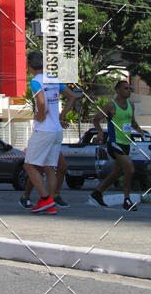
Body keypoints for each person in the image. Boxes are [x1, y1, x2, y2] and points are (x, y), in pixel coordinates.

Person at [24, 51, 76, 214]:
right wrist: (60, 116)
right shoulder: (53, 79)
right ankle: (50, 204)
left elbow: (40, 101)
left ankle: (45, 199)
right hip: (56, 130)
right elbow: (72, 96)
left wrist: (41, 114)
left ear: (29, 66)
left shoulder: (35, 82)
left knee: (29, 165)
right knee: (49, 167)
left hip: (44, 130)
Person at [89, 80, 143, 211]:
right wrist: (100, 133)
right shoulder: (111, 105)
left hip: (126, 143)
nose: (128, 90)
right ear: (117, 90)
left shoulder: (131, 105)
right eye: (125, 88)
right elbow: (96, 119)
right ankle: (127, 200)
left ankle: (97, 193)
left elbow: (131, 121)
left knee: (117, 172)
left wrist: (139, 129)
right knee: (130, 169)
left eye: (129, 88)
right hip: (114, 143)